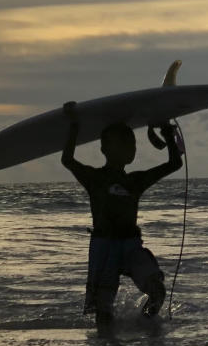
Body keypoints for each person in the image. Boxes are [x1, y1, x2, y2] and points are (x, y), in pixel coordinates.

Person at [61, 102, 183, 325]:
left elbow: (175, 163)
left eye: (133, 143)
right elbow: (67, 160)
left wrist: (166, 130)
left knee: (158, 292)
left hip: (131, 245)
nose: (131, 148)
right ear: (104, 148)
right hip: (104, 246)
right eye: (124, 142)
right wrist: (74, 124)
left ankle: (146, 328)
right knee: (103, 311)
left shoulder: (135, 181)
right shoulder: (94, 178)